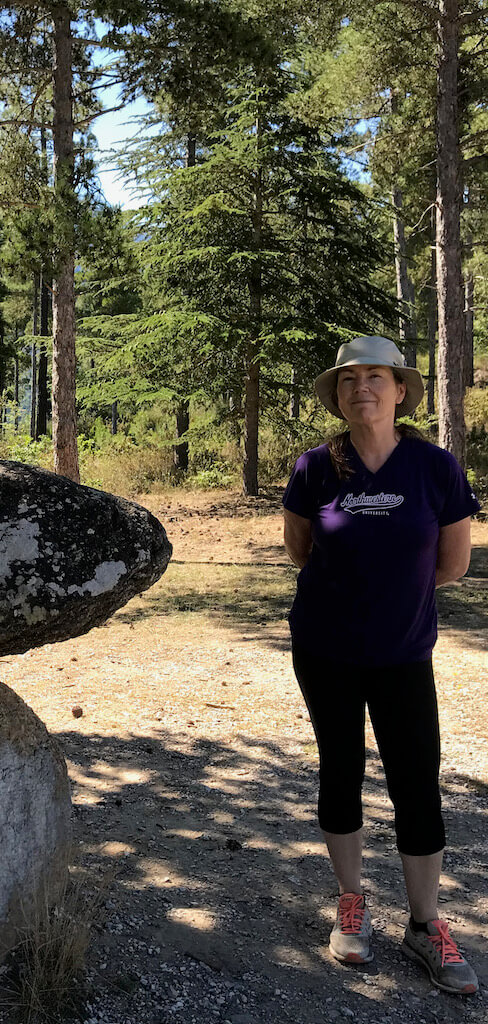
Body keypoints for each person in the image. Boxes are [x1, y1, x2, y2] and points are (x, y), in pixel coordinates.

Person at [282, 335, 481, 995]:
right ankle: (351, 904)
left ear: (400, 391)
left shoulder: (436, 468)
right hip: (325, 651)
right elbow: (299, 552)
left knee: (415, 783)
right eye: (348, 380)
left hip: (402, 654)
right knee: (340, 772)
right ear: (337, 397)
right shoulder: (315, 468)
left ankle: (425, 926)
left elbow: (452, 566)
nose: (361, 388)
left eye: (375, 376)